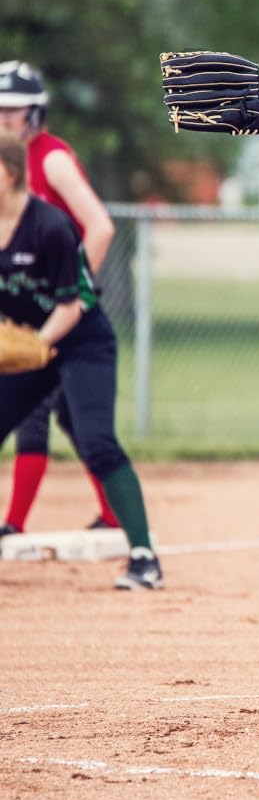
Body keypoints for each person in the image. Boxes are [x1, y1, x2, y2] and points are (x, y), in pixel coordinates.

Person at [0, 131, 163, 589]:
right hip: (32, 344)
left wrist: (33, 348)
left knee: (96, 441)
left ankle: (143, 557)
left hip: (80, 341)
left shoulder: (49, 226)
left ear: (10, 173)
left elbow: (72, 305)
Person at [0, 61, 120, 536]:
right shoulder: (7, 168)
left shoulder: (49, 158)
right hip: (27, 309)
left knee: (42, 410)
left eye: (14, 109)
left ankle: (14, 524)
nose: (4, 117)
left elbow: (101, 227)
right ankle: (111, 516)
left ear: (35, 113)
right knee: (70, 414)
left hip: (62, 312)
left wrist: (74, 292)